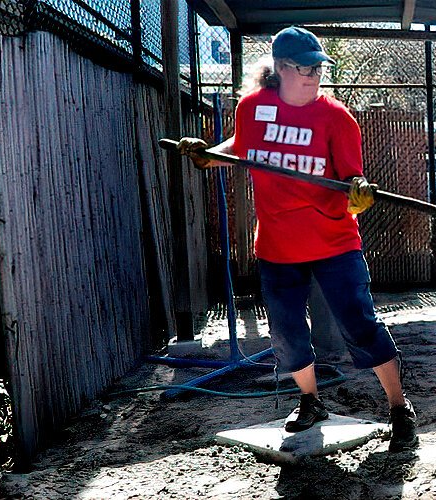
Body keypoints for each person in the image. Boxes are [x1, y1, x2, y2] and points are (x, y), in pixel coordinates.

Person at [174, 26, 416, 450]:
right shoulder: (252, 108)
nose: (314, 74)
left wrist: (359, 192)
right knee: (286, 332)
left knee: (360, 326)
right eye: (305, 67)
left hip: (333, 243)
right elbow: (244, 145)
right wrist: (208, 156)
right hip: (278, 246)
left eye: (319, 66)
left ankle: (399, 407)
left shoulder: (337, 119)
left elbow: (351, 180)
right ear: (282, 68)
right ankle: (310, 401)